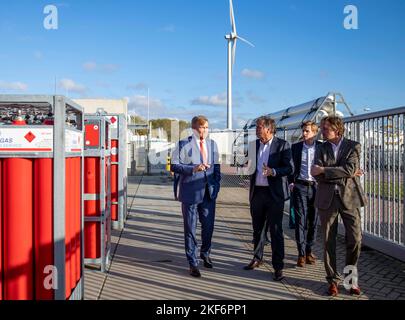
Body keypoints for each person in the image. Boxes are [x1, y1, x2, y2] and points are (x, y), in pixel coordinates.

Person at [311, 116, 366, 297]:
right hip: (327, 199)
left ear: (337, 129)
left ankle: (350, 281)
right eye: (321, 128)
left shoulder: (353, 146)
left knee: (355, 240)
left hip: (349, 198)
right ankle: (332, 280)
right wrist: (344, 172)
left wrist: (326, 170)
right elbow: (315, 174)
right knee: (328, 241)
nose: (322, 131)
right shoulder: (320, 147)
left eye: (325, 128)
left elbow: (350, 169)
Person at [243, 116, 293, 281]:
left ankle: (278, 267)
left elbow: (289, 168)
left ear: (269, 129)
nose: (257, 130)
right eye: (256, 127)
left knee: (276, 231)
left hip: (274, 195)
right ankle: (257, 258)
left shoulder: (282, 145)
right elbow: (249, 165)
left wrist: (274, 172)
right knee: (257, 229)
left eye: (259, 127)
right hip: (257, 193)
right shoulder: (253, 145)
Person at [171, 115, 221, 278]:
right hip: (190, 192)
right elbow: (174, 165)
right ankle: (192, 262)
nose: (205, 130)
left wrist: (217, 184)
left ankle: (205, 253)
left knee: (208, 227)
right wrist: (193, 168)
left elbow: (217, 167)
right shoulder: (183, 144)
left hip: (208, 192)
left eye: (207, 127)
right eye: (202, 127)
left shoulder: (212, 144)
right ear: (194, 128)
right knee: (190, 229)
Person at [289, 121, 322, 267]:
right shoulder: (296, 147)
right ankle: (301, 253)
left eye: (307, 131)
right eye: (303, 131)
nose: (304, 134)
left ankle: (309, 250)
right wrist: (291, 181)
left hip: (316, 188)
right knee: (300, 221)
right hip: (300, 187)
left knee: (313, 221)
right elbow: (291, 166)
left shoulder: (321, 147)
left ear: (315, 133)